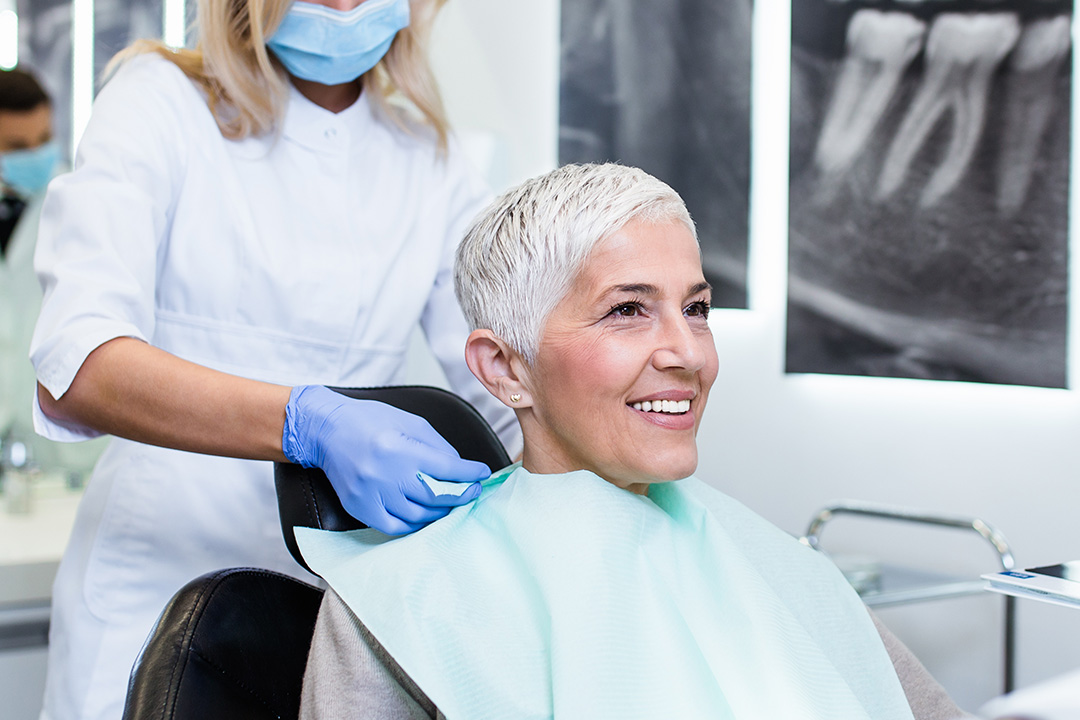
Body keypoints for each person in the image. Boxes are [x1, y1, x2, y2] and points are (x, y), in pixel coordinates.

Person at [296, 163, 974, 720]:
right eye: (627, 310)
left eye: (697, 309)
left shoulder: (785, 573)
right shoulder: (403, 604)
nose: (688, 352)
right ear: (505, 370)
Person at [28, 0, 521, 717]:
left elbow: (503, 390)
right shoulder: (159, 103)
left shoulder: (432, 162)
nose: (346, 5)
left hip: (341, 601)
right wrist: (307, 422)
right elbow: (79, 367)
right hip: (152, 585)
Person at [0, 67, 103, 478]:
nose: (36, 155)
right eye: (16, 146)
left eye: (42, 140)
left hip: (60, 451)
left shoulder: (80, 201)